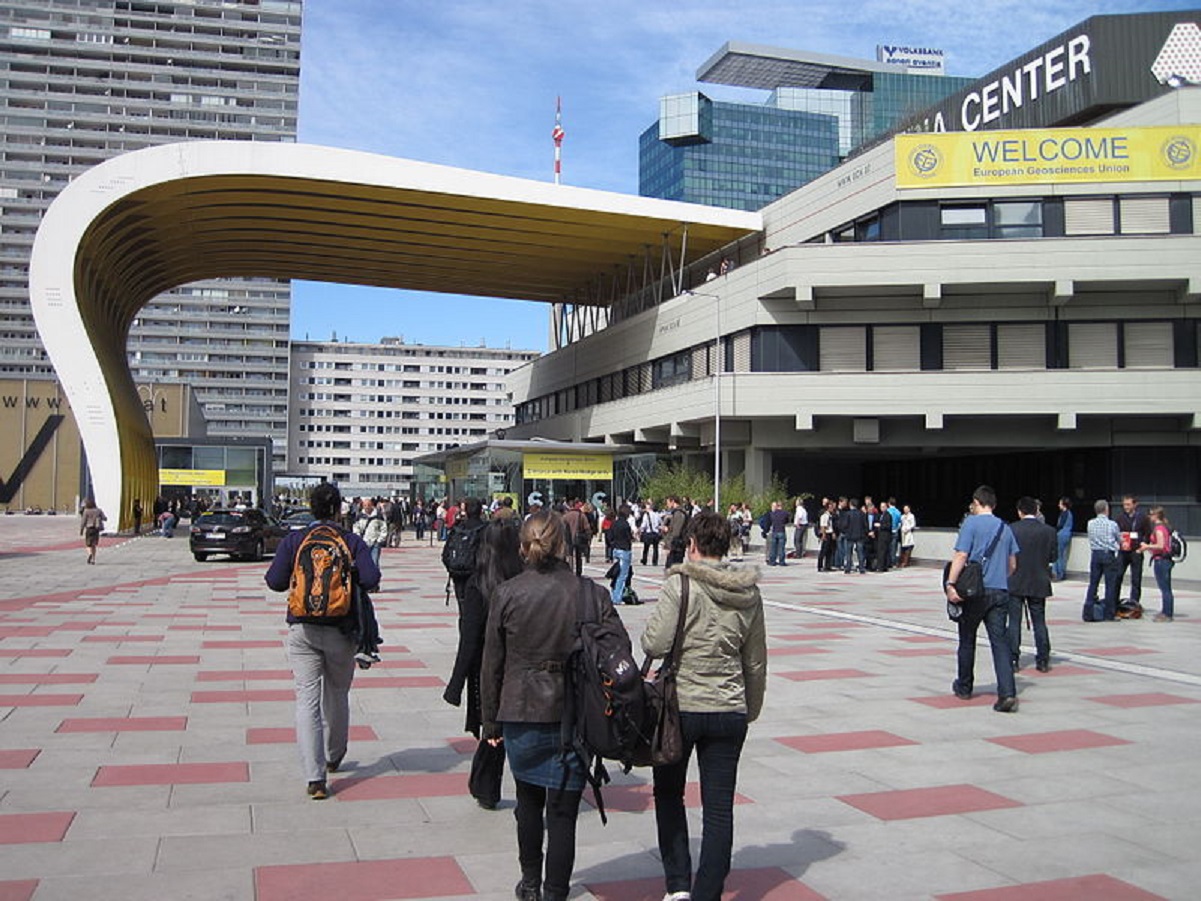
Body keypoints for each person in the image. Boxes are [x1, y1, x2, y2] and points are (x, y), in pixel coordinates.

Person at [481, 511, 624, 901]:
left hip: (520, 709)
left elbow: (490, 664)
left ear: (523, 546)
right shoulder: (591, 593)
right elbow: (619, 652)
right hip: (573, 713)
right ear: (563, 544)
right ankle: (555, 892)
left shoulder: (507, 593)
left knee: (527, 802)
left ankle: (530, 882)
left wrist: (489, 724)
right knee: (562, 812)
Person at [643, 512, 767, 901]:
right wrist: (751, 708)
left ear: (692, 545)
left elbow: (654, 644)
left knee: (669, 794)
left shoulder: (680, 585)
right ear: (728, 545)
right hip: (729, 707)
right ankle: (708, 892)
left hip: (680, 708)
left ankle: (678, 885)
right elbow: (755, 660)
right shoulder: (748, 593)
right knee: (718, 806)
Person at [265, 483, 380, 800]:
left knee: (306, 700)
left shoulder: (295, 539)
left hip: (302, 629)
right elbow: (372, 579)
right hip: (341, 630)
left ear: (312, 508)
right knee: (337, 693)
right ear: (337, 509)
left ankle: (314, 777)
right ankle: (334, 754)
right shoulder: (350, 540)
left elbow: (274, 581)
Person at [445, 520, 523, 809]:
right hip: (520, 669)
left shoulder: (479, 587)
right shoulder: (525, 582)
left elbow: (469, 640)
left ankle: (488, 788)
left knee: (492, 730)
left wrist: (455, 684)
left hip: (487, 671)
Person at [944, 485, 1020, 712]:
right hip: (1000, 591)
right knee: (1000, 643)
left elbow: (961, 555)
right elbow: (1013, 565)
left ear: (976, 502)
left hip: (975, 593)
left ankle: (965, 686)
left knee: (967, 639)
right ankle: (1007, 692)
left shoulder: (971, 523)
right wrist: (999, 577)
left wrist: (950, 583)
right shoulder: (1005, 528)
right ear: (994, 505)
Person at [1007, 496, 1057, 673]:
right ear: (1036, 511)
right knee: (1039, 621)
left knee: (1014, 622)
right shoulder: (1049, 531)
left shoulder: (1011, 529)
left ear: (1020, 511)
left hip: (1015, 581)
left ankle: (1013, 658)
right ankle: (1043, 659)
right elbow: (1053, 557)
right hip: (1039, 581)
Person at [1083, 499, 1121, 622]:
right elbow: (1118, 538)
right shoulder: (1112, 524)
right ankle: (1110, 613)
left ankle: (1088, 611)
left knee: (1093, 583)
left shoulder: (1090, 523)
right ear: (1106, 510)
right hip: (1108, 554)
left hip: (1095, 554)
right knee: (1110, 585)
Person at [1138, 506, 1175, 622]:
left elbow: (1161, 545)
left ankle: (1167, 614)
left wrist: (1147, 546)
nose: (1149, 517)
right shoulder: (1164, 527)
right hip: (1164, 560)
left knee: (1165, 588)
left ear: (1156, 516)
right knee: (1166, 588)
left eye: (1150, 515)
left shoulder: (1159, 529)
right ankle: (1166, 611)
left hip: (1161, 561)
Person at [1114, 494, 1149, 605]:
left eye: (1128, 504)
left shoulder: (1142, 518)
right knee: (1118, 575)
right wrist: (1120, 540)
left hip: (1136, 551)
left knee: (1136, 579)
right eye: (1124, 505)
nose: (1126, 507)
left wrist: (1143, 544)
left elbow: (1148, 533)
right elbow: (1116, 533)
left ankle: (1134, 603)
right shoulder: (1120, 518)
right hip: (1123, 551)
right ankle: (1114, 602)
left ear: (1135, 505)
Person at [608, 502, 634, 605]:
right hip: (624, 550)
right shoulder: (625, 525)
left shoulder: (614, 523)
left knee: (616, 573)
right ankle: (617, 598)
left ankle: (614, 594)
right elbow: (629, 538)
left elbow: (609, 537)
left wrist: (613, 544)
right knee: (622, 575)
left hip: (616, 549)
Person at [353, 497, 387, 570]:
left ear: (372, 505)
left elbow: (383, 528)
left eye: (368, 505)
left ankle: (374, 579)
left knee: (374, 563)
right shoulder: (360, 516)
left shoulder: (378, 515)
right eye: (365, 505)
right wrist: (358, 537)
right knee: (364, 563)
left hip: (375, 543)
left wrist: (380, 540)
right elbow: (356, 527)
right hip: (364, 542)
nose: (367, 507)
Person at [842, 498, 867, 574]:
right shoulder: (862, 514)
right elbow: (865, 525)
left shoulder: (848, 514)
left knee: (849, 553)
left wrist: (845, 531)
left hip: (850, 535)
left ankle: (848, 567)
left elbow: (845, 525)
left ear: (851, 505)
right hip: (860, 535)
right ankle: (861, 567)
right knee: (860, 552)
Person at [80, 498, 106, 564]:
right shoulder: (98, 510)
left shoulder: (86, 511)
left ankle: (89, 554)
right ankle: (93, 560)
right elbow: (105, 518)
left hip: (89, 529)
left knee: (88, 544)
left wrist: (81, 530)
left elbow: (83, 521)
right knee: (94, 545)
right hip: (96, 529)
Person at [1054, 497, 1073, 581]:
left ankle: (1059, 573)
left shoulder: (1064, 514)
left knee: (1058, 554)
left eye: (1060, 503)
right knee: (1063, 554)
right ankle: (1062, 572)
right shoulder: (1070, 514)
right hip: (1067, 534)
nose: (1058, 505)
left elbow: (1060, 525)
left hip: (1061, 534)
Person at [639, 499, 662, 566]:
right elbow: (661, 523)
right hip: (655, 533)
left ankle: (644, 559)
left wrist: (641, 530)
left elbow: (644, 525)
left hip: (649, 533)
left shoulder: (646, 515)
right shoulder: (657, 515)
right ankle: (655, 561)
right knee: (655, 548)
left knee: (646, 548)